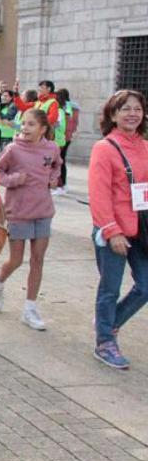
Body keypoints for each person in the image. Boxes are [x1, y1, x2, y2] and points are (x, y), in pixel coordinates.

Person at [88, 90, 148, 370]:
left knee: (145, 285)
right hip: (114, 231)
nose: (132, 114)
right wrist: (112, 231)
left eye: (137, 109)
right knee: (109, 289)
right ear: (112, 115)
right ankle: (104, 342)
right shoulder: (105, 148)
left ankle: (108, 323)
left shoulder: (145, 147)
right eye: (125, 109)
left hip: (142, 230)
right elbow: (98, 194)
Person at [0, 108, 61, 330]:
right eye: (23, 123)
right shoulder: (13, 149)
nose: (25, 128)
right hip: (18, 213)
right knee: (16, 260)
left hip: (43, 211)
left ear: (43, 128)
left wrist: (53, 178)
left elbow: (57, 166)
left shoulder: (52, 148)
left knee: (37, 260)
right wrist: (14, 179)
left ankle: (30, 308)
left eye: (31, 124)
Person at [55, 88, 79, 195]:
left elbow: (68, 122)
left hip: (63, 138)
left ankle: (61, 184)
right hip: (66, 137)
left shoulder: (67, 107)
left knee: (60, 161)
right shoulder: (70, 107)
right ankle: (62, 184)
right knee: (61, 160)